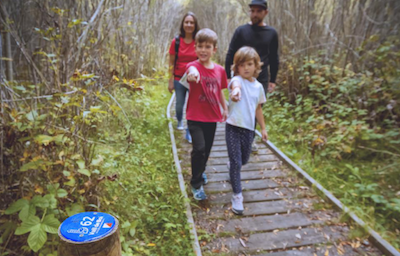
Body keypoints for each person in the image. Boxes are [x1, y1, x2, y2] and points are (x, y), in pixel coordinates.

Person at [225, 0, 279, 151]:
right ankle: (235, 136)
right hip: (240, 76)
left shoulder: (271, 33)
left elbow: (274, 57)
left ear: (265, 13)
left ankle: (250, 138)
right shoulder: (241, 31)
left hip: (260, 76)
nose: (255, 14)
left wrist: (273, 80)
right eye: (253, 11)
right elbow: (230, 52)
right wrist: (227, 76)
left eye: (258, 11)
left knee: (255, 107)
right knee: (240, 104)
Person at [184, 28, 228, 200]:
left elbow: (220, 91)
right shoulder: (193, 66)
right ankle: (196, 184)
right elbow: (191, 73)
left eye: (207, 47)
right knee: (199, 148)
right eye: (200, 46)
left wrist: (224, 108)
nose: (203, 50)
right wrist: (193, 75)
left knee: (207, 150)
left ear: (214, 49)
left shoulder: (219, 70)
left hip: (211, 117)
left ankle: (200, 171)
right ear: (195, 48)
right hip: (194, 116)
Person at [226, 46, 268, 215]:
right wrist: (235, 91)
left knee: (243, 159)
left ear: (256, 66)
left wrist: (263, 128)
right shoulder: (237, 80)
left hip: (249, 130)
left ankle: (232, 166)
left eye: (250, 64)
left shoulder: (258, 87)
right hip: (233, 126)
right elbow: (235, 86)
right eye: (242, 64)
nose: (246, 68)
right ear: (237, 67)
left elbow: (258, 109)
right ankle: (237, 196)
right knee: (236, 163)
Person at [168, 12, 200, 143]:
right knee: (180, 104)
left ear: (195, 25)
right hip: (179, 78)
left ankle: (189, 131)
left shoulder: (199, 42)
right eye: (186, 22)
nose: (189, 25)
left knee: (193, 107)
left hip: (194, 79)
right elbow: (171, 62)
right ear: (182, 24)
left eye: (192, 22)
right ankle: (180, 120)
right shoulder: (176, 42)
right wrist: (170, 80)